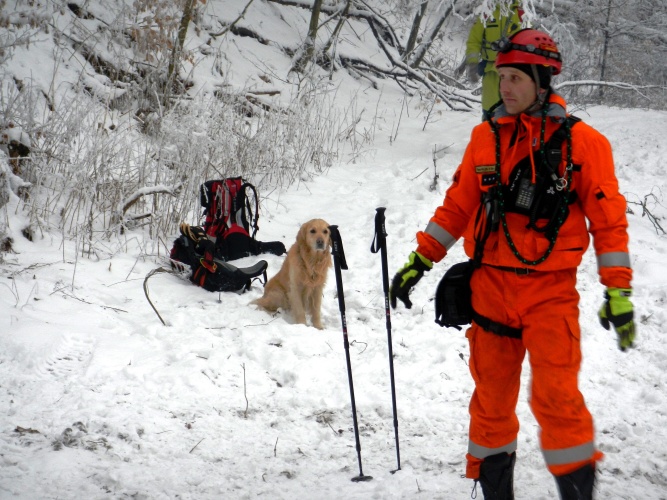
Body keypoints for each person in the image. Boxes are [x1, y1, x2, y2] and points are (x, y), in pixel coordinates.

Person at [390, 28, 635, 500]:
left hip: (550, 294)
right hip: (489, 293)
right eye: (501, 76)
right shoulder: (484, 139)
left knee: (558, 400)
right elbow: (456, 210)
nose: (505, 87)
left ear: (543, 82)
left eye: (516, 78)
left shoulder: (584, 145)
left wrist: (618, 290)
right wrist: (419, 261)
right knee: (490, 405)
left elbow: (609, 224)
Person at [458, 2, 524, 119]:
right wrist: (473, 62)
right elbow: (474, 40)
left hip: (516, 74)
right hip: (491, 73)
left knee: (515, 115)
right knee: (490, 113)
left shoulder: (521, 14)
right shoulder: (486, 12)